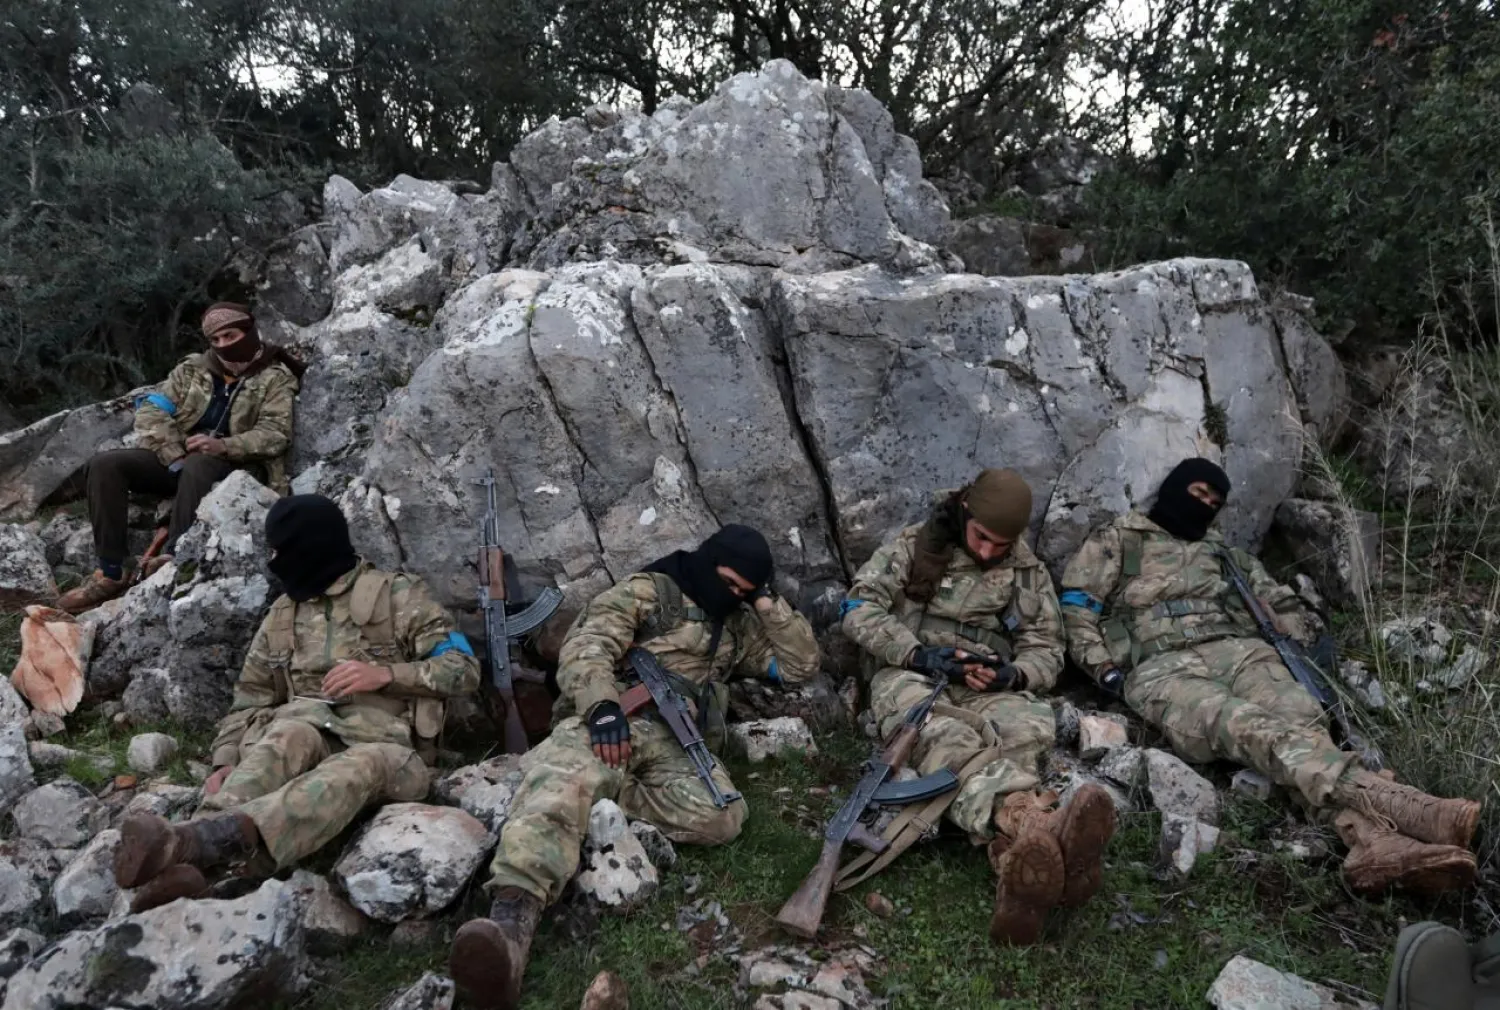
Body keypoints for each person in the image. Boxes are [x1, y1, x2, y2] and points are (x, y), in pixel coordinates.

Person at [1059, 457, 1481, 894]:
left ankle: (1371, 841)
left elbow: (1280, 603)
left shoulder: (1224, 554)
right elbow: (1076, 608)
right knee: (1247, 726)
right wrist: (1104, 670)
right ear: (1174, 489)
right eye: (1197, 492)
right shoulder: (1120, 539)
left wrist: (1291, 631)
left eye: (1213, 500)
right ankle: (1402, 806)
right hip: (1160, 667)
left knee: (1304, 720)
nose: (1203, 504)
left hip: (1240, 651)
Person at [450, 524, 820, 1010]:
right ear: (708, 563)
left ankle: (589, 795)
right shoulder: (653, 592)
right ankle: (509, 926)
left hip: (676, 742)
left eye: (745, 591)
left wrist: (767, 601)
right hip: (614, 721)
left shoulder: (737, 624)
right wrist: (602, 708)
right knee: (567, 781)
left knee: (723, 818)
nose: (734, 596)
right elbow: (589, 645)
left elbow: (800, 665)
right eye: (729, 583)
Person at [111, 494, 480, 910]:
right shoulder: (282, 616)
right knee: (287, 736)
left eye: (279, 552)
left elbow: (462, 668)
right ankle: (187, 849)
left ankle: (202, 851)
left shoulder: (399, 596)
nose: (274, 561)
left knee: (358, 766)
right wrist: (224, 761)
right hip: (305, 727)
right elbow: (249, 701)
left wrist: (387, 675)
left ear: (310, 548)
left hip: (390, 748)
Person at [840, 468, 1117, 946]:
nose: (989, 552)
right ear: (965, 510)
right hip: (912, 675)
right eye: (982, 538)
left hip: (987, 683)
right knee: (946, 740)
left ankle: (1015, 856)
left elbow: (1047, 647)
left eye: (1001, 545)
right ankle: (1036, 825)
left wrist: (1013, 675)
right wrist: (916, 654)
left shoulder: (1026, 571)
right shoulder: (913, 546)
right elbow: (859, 608)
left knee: (1025, 729)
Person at [57, 302, 304, 614]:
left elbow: (275, 433)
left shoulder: (275, 377)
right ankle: (112, 570)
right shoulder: (192, 370)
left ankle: (174, 558)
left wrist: (225, 445)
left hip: (237, 466)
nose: (224, 345)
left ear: (249, 331)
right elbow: (152, 409)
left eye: (230, 335)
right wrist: (174, 453)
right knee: (105, 464)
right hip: (179, 459)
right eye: (216, 340)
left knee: (200, 464)